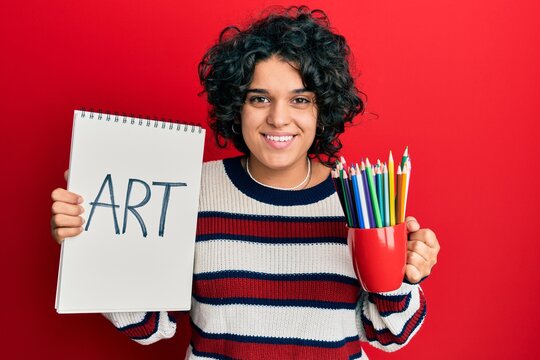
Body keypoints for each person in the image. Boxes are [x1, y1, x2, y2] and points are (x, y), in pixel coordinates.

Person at [50, 6, 440, 359]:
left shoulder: (360, 200)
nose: (278, 118)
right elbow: (149, 327)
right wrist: (91, 242)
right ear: (236, 105)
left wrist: (402, 277)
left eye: (300, 100)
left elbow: (390, 334)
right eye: (259, 99)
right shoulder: (190, 189)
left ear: (324, 108)